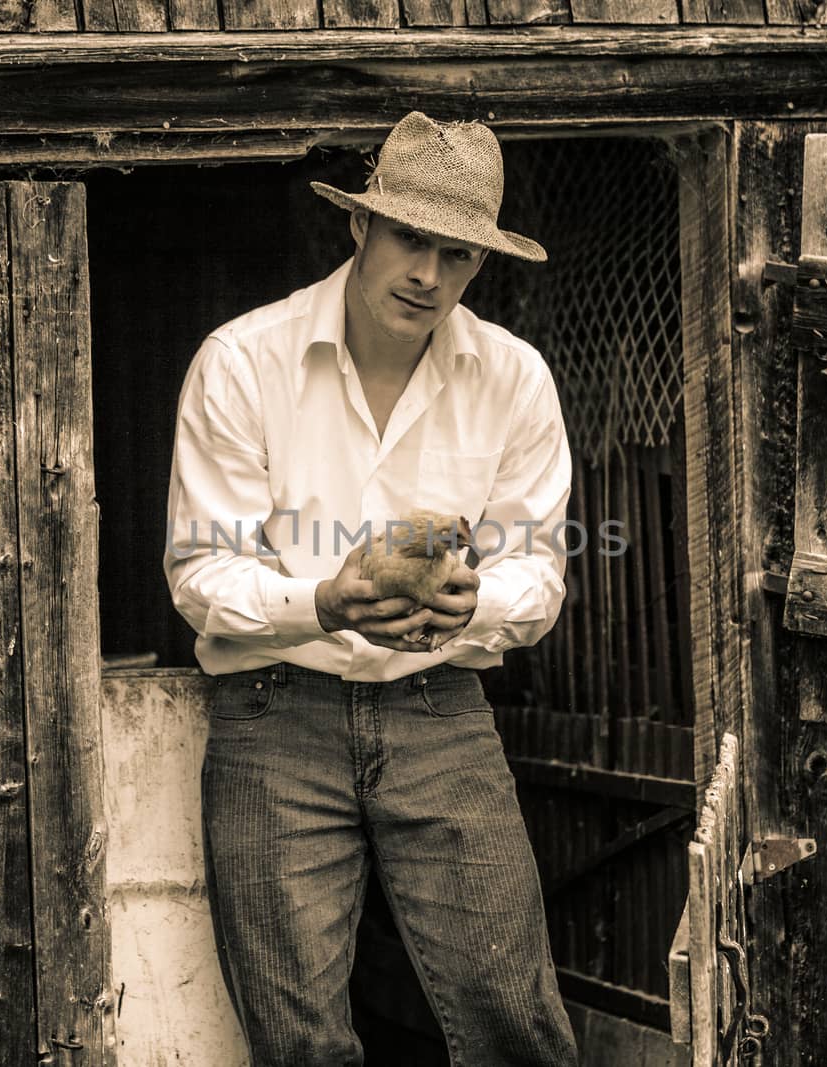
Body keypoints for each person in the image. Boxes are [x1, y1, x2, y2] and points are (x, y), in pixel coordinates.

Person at [163, 110, 578, 1067]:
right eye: (411, 238)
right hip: (274, 712)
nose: (429, 273)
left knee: (509, 1009)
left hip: (439, 706)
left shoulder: (514, 380)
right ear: (360, 226)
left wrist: (473, 602)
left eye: (459, 254)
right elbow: (200, 570)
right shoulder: (243, 363)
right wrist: (321, 602)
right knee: (296, 1034)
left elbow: (538, 571)